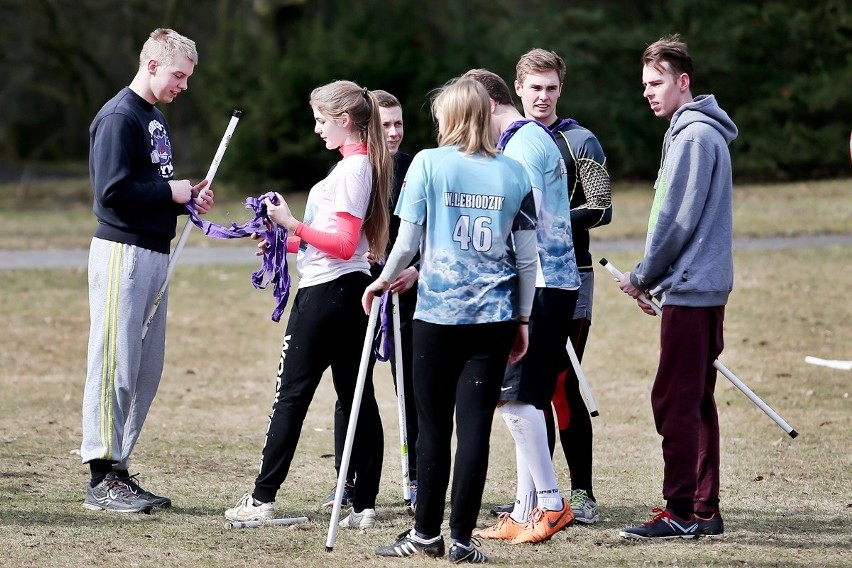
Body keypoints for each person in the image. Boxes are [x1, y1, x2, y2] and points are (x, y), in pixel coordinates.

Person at [368, 76, 537, 564]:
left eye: (440, 112)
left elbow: (406, 242)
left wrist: (382, 280)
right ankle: (461, 540)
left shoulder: (427, 163)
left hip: (439, 319)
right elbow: (526, 260)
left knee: (434, 427)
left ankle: (426, 534)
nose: (435, 120)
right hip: (495, 318)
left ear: (455, 115)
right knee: (475, 430)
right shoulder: (514, 173)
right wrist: (522, 319)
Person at [225, 80, 392, 531]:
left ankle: (262, 499)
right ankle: (364, 503)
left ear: (344, 120)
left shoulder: (353, 170)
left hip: (327, 297)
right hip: (347, 293)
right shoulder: (355, 168)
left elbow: (341, 244)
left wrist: (289, 220)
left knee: (291, 396)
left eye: (321, 120)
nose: (316, 129)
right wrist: (284, 240)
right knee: (356, 397)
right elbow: (336, 244)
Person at [80, 28, 213, 513]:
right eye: (179, 75)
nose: (184, 85)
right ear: (152, 65)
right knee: (115, 362)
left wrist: (185, 200)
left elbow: (149, 188)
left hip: (156, 253)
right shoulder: (120, 116)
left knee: (144, 369)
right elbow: (110, 194)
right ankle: (100, 477)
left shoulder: (154, 117)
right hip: (123, 254)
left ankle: (119, 469)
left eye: (188, 77)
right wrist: (170, 193)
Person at [617, 34, 737, 540]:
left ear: (682, 81)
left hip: (692, 291)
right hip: (693, 288)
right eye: (644, 84)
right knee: (695, 400)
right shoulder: (690, 133)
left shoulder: (692, 137)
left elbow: (675, 221)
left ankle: (682, 511)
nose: (648, 92)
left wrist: (643, 276)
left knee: (674, 400)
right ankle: (703, 510)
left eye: (656, 82)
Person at [465, 68, 578, 545]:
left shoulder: (520, 147)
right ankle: (524, 508)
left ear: (487, 105)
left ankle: (552, 504)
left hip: (541, 285)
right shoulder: (528, 138)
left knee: (514, 400)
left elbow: (519, 222)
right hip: (552, 282)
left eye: (468, 113)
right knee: (522, 398)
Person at [511, 48, 613, 524]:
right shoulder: (509, 139)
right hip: (523, 281)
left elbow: (602, 208)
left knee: (561, 385)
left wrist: (545, 219)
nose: (544, 97)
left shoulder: (582, 140)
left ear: (560, 90)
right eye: (536, 88)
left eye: (551, 88)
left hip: (573, 278)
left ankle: (583, 492)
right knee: (526, 390)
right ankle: (535, 494)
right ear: (519, 90)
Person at [324, 90, 420, 512]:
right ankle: (347, 480)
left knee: (412, 387)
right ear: (366, 127)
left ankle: (415, 475)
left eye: (399, 123)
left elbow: (432, 230)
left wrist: (413, 269)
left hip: (407, 291)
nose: (394, 132)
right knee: (352, 388)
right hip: (357, 291)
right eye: (385, 125)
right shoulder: (351, 169)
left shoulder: (416, 167)